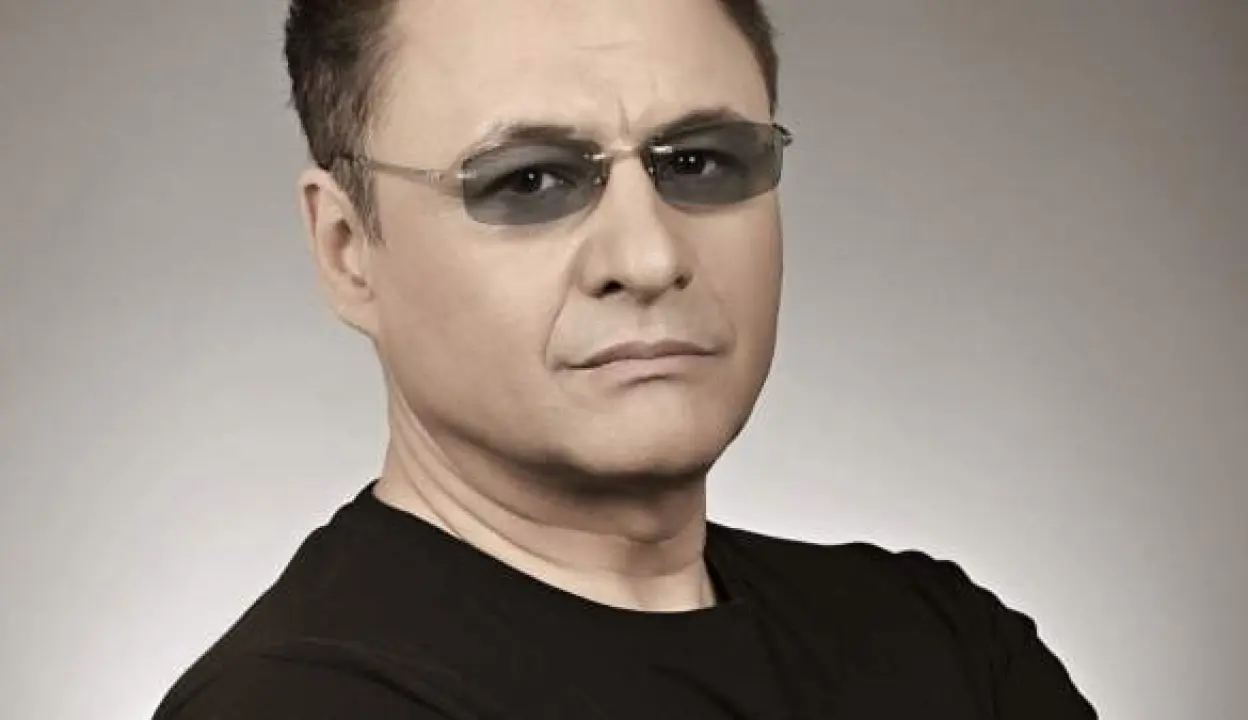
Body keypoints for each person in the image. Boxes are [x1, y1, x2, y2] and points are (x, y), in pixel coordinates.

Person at [153, 0, 1097, 717]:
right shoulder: (297, 704)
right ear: (348, 249)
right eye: (529, 179)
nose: (648, 258)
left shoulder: (943, 644)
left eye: (697, 162)